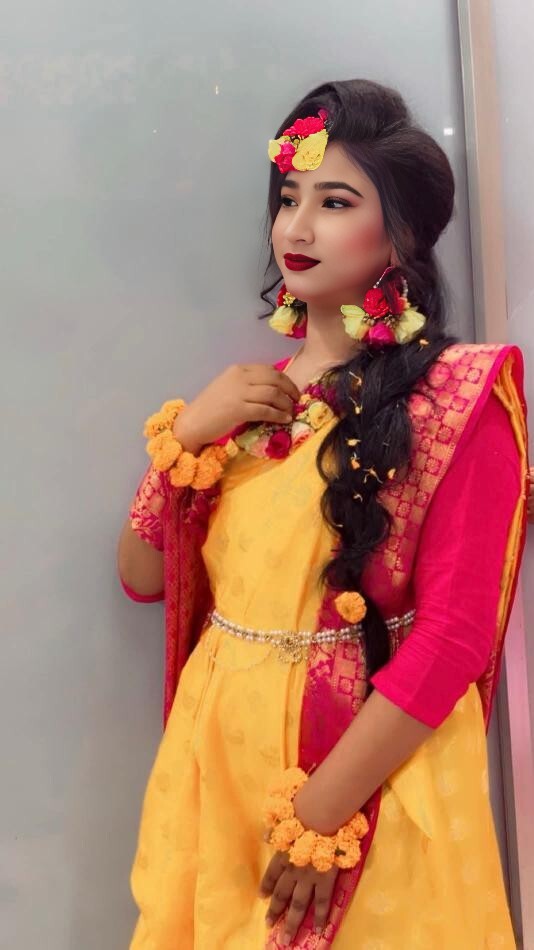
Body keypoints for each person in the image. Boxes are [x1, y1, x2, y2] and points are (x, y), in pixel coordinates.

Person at [117, 79, 529, 949]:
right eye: (288, 198)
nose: (296, 228)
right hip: (220, 766)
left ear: (401, 233)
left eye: (334, 202)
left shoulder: (456, 400)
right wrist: (188, 436)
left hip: (362, 773)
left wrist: (320, 815)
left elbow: (454, 637)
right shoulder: (248, 401)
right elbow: (144, 576)